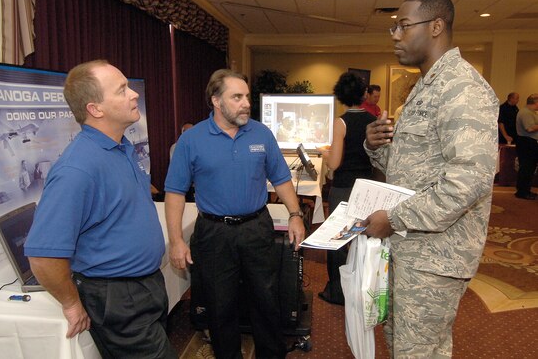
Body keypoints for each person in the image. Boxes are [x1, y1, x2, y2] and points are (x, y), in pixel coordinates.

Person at [363, 0, 498, 358]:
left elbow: (468, 182)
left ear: (436, 26)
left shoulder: (462, 88)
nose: (394, 35)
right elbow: (413, 166)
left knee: (416, 352)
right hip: (411, 248)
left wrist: (393, 218)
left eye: (403, 26)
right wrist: (376, 145)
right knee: (403, 343)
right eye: (394, 27)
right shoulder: (424, 87)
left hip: (435, 255)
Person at [24, 60, 177, 359]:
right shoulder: (76, 169)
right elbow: (42, 256)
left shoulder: (121, 147)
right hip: (118, 297)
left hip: (145, 285)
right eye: (122, 90)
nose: (134, 94)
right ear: (96, 109)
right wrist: (71, 303)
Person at [164, 68, 306, 359]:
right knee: (220, 305)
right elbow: (175, 192)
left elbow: (281, 178)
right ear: (216, 101)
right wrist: (176, 239)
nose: (246, 103)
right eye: (237, 97)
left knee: (266, 299)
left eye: (246, 97)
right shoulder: (192, 140)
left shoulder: (261, 133)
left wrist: (295, 215)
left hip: (256, 228)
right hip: (214, 234)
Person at [316, 71, 375, 305]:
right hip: (368, 187)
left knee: (338, 241)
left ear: (341, 95)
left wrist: (324, 152)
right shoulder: (373, 121)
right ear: (364, 94)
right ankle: (362, 288)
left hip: (344, 189)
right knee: (363, 240)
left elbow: (335, 163)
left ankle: (338, 292)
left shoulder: (341, 123)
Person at [514, 94, 538, 200]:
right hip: (527, 143)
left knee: (529, 167)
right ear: (535, 102)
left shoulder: (531, 112)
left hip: (529, 142)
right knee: (526, 168)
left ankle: (525, 190)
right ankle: (522, 192)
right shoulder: (526, 113)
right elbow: (529, 128)